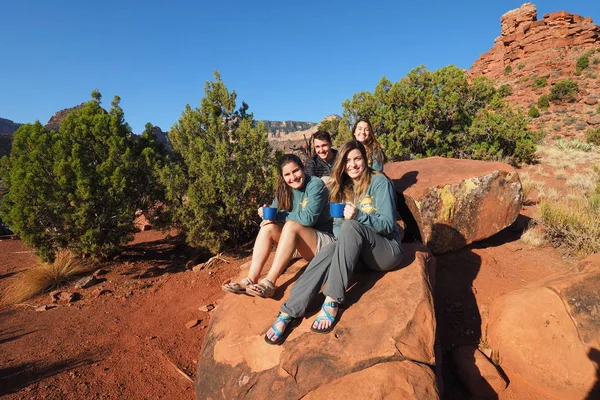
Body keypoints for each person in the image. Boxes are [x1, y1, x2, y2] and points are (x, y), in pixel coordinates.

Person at [264, 140, 403, 345]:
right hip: (361, 253)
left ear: (365, 160)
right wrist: (344, 242)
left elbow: (388, 225)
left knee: (350, 226)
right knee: (331, 248)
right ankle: (289, 311)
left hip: (386, 250)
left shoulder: (379, 182)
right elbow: (338, 227)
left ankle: (332, 300)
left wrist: (359, 217)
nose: (353, 165)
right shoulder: (343, 188)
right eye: (347, 160)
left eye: (357, 159)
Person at [222, 154, 334, 298]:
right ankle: (251, 279)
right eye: (287, 174)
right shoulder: (284, 190)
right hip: (300, 243)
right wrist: (266, 215)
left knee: (291, 225)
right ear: (282, 176)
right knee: (268, 228)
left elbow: (308, 219)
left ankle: (269, 282)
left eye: (296, 171)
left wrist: (278, 216)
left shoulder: (315, 184)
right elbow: (274, 215)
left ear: (303, 168)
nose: (292, 177)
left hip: (323, 242)